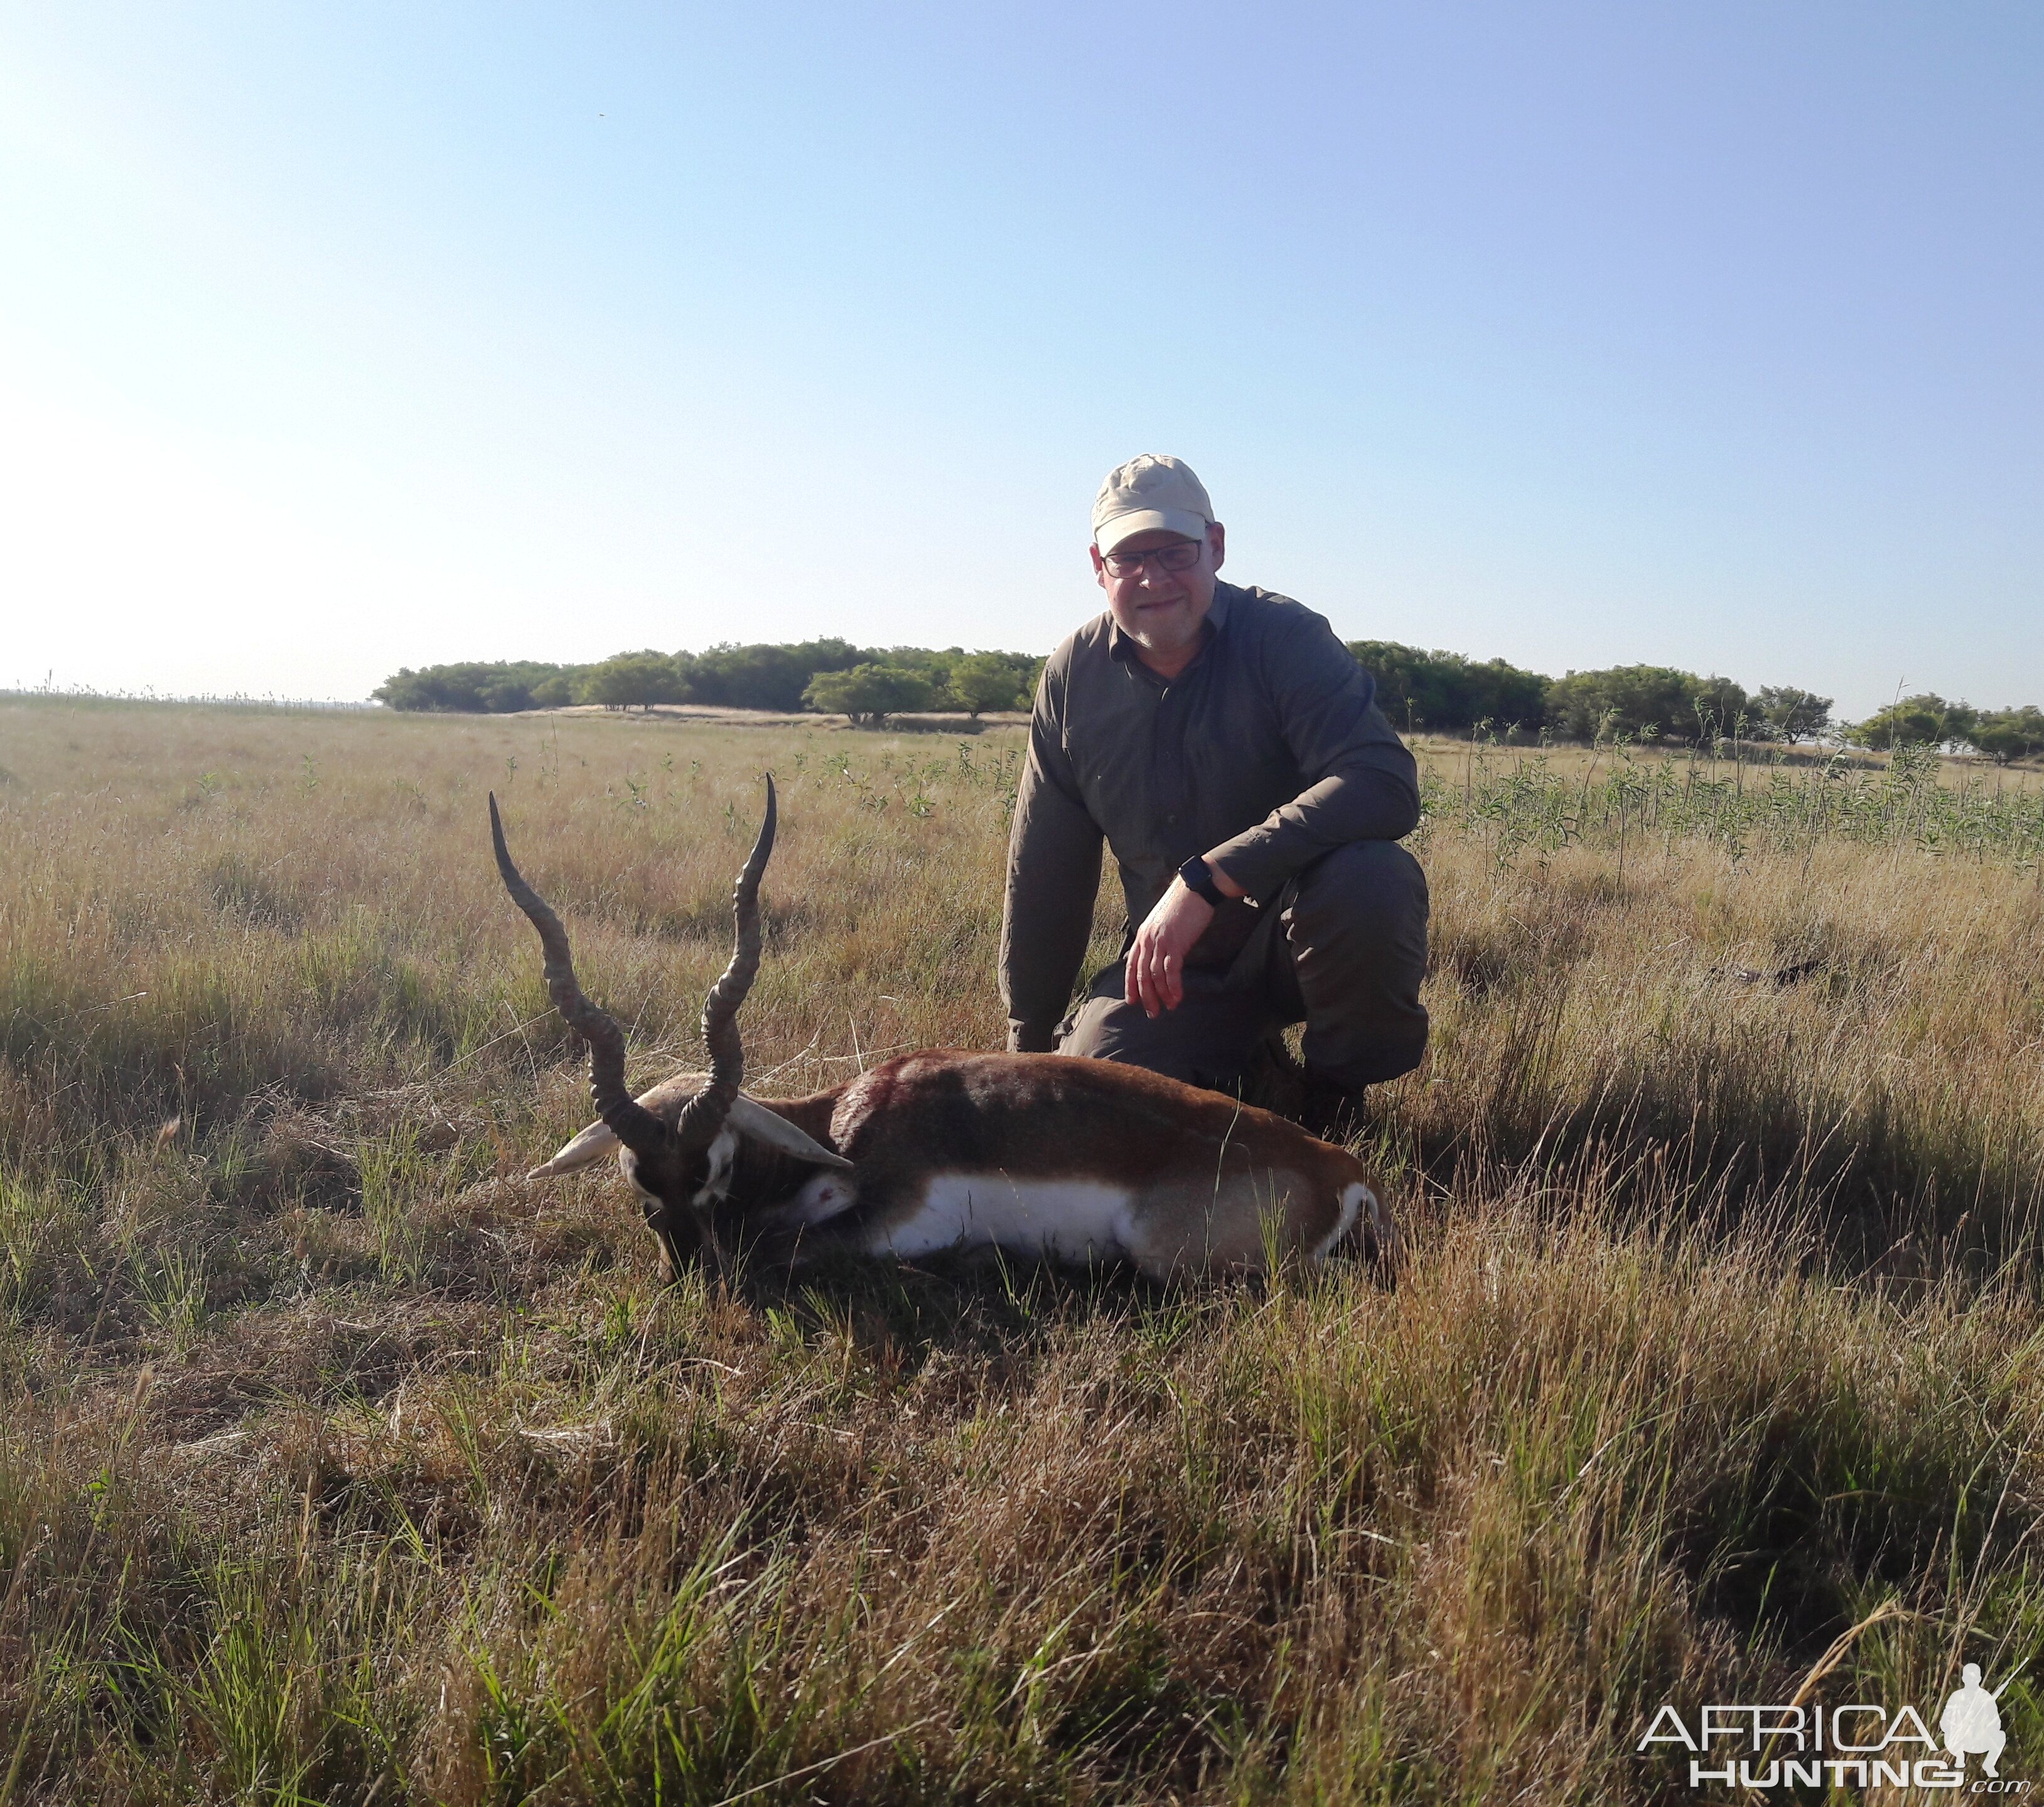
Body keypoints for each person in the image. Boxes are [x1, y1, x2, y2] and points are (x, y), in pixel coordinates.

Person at [999, 453, 1429, 1134]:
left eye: (1173, 552)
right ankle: (1245, 1068)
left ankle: (1332, 1095)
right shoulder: (1072, 676)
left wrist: (1207, 879)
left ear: (1217, 547)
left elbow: (1381, 782)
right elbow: (1045, 870)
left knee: (1371, 878)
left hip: (1296, 939)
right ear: (1097, 567)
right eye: (1128, 559)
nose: (1152, 577)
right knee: (1095, 1108)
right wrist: (1028, 1048)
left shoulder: (1286, 638)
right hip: (1171, 969)